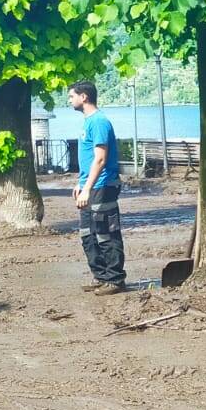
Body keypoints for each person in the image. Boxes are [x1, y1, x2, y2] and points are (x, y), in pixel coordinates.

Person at [68, 81, 126, 295]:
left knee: (106, 233)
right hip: (89, 186)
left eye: (71, 96)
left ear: (84, 97)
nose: (70, 100)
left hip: (103, 185)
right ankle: (100, 276)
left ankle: (115, 279)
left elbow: (100, 159)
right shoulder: (88, 122)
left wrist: (87, 188)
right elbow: (88, 158)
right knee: (87, 234)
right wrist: (80, 184)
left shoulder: (100, 121)